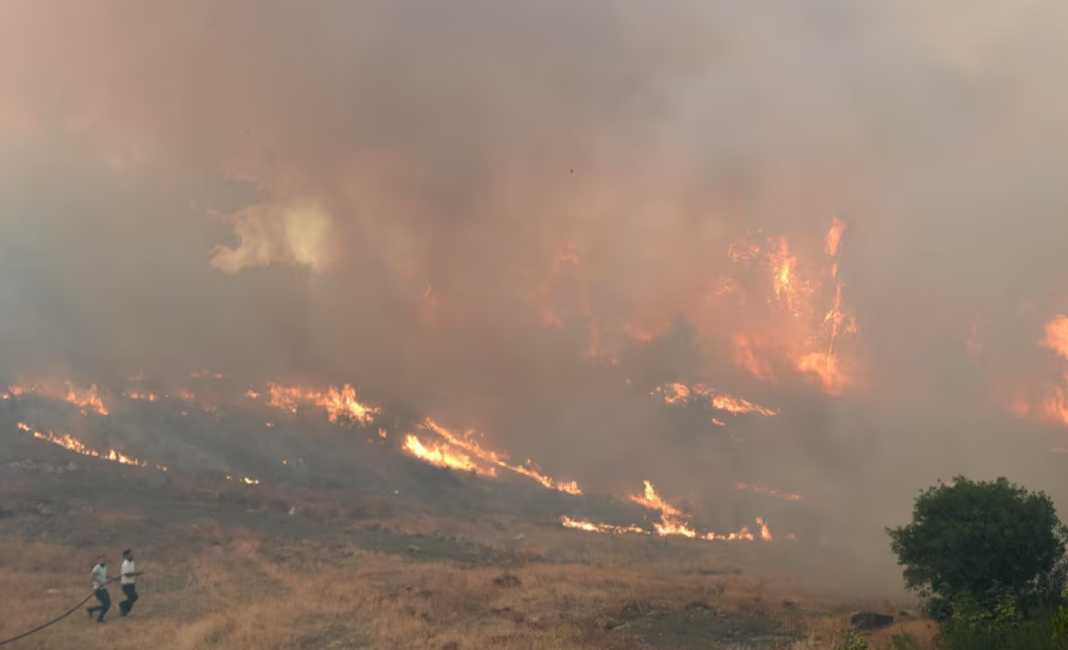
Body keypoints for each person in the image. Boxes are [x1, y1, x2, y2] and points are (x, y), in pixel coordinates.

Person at [86, 557, 110, 623]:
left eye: (104, 560)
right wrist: (99, 582)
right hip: (98, 589)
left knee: (108, 604)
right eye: (101, 560)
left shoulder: (105, 567)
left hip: (104, 588)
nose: (103, 561)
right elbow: (92, 576)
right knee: (106, 605)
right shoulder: (97, 567)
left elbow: (103, 576)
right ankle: (100, 619)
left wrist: (110, 577)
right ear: (99, 561)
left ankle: (91, 609)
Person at [119, 548, 142, 616]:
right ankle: (122, 605)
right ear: (125, 556)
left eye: (131, 554)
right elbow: (127, 574)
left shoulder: (132, 562)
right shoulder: (125, 564)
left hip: (131, 583)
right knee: (133, 597)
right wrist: (137, 574)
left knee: (133, 598)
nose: (131, 555)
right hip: (126, 584)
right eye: (130, 554)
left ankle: (124, 610)